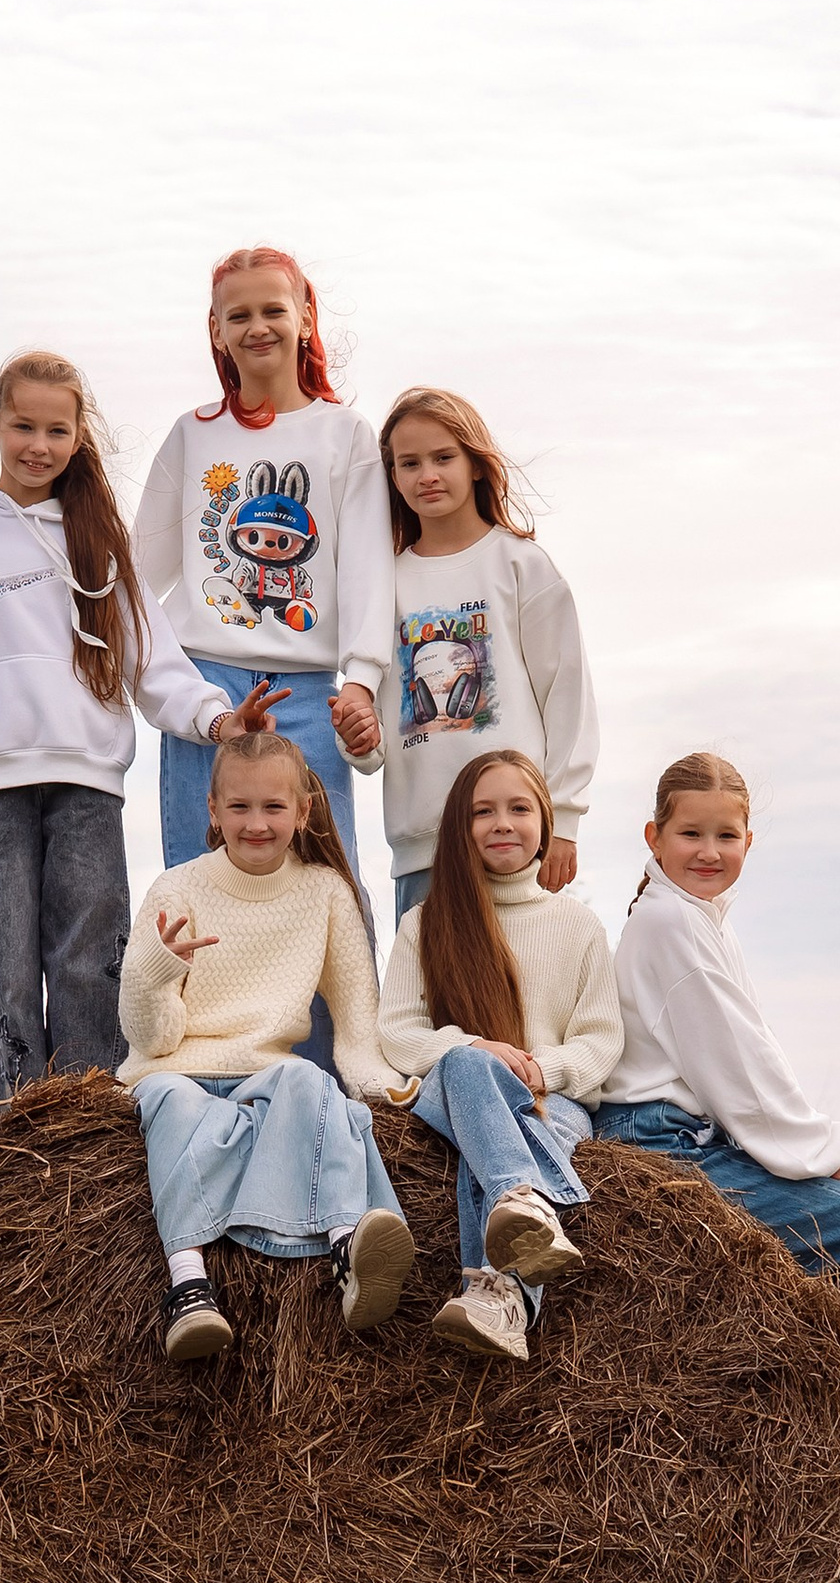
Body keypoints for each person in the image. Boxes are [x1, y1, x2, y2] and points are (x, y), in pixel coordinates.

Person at [0, 350, 283, 1111]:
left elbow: (152, 661)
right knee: (6, 965)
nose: (39, 445)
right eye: (23, 427)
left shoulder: (97, 535)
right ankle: (6, 1126)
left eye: (57, 430)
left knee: (89, 960)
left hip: (90, 783)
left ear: (78, 438)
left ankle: (87, 1115)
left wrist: (216, 719)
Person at [592, 753, 840, 1332]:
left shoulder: (700, 918)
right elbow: (738, 1069)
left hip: (686, 1135)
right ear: (655, 837)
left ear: (749, 840)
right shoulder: (671, 922)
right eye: (690, 833)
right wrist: (827, 1156)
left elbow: (749, 1048)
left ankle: (824, 1386)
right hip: (663, 1144)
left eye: (725, 836)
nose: (708, 852)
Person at [119, 726, 415, 1365]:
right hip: (180, 1065)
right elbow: (150, 1038)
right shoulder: (176, 891)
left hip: (265, 1068)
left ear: (302, 810)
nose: (257, 823)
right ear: (213, 811)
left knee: (312, 1085)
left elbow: (356, 1024)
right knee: (169, 1099)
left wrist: (385, 1089)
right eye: (241, 807)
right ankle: (187, 1283)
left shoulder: (327, 892)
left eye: (274, 807)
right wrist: (156, 973)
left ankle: (345, 1243)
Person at [133, 248, 395, 890]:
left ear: (306, 318)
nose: (257, 327)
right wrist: (178, 691)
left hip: (309, 694)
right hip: (210, 691)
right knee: (202, 891)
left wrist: (361, 680)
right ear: (217, 330)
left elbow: (367, 568)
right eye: (238, 314)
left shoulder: (345, 435)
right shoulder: (193, 435)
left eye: (273, 309)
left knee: (324, 892)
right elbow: (133, 577)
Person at [379, 747, 619, 1365]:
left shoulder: (578, 926)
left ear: (545, 822)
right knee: (466, 1066)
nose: (502, 823)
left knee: (496, 1141)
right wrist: (473, 1046)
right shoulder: (424, 924)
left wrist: (545, 1070)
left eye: (519, 808)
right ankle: (525, 1197)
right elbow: (398, 1033)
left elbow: (600, 1040)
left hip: (552, 1101)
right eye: (483, 812)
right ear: (461, 829)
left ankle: (497, 1299)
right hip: (453, 1092)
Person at [370, 388, 599, 924]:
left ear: (475, 462)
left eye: (443, 457)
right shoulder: (385, 583)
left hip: (514, 841)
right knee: (429, 1003)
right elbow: (374, 733)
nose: (427, 474)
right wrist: (356, 741)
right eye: (409, 463)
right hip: (422, 849)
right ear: (393, 476)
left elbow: (567, 695)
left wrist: (561, 819)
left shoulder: (522, 566)